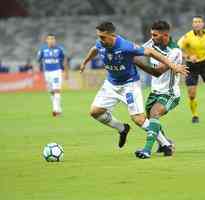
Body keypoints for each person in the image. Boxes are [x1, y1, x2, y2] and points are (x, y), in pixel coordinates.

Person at [79, 21, 188, 153]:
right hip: (111, 84)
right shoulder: (101, 43)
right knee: (95, 112)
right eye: (98, 36)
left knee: (141, 119)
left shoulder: (125, 46)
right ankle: (122, 128)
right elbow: (95, 49)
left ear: (111, 35)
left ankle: (165, 145)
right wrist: (85, 62)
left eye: (102, 37)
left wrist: (173, 65)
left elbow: (152, 57)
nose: (99, 40)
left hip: (130, 85)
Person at [133, 20, 183, 158]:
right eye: (152, 34)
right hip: (154, 92)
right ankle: (166, 145)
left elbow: (157, 72)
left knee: (155, 114)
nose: (152, 37)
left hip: (170, 92)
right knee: (149, 121)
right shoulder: (151, 43)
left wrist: (136, 61)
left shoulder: (174, 51)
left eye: (155, 35)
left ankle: (146, 150)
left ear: (165, 35)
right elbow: (136, 52)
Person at [37, 34, 69, 117]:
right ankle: (58, 108)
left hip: (57, 72)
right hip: (47, 73)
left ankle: (55, 110)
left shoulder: (60, 49)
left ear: (55, 40)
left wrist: (66, 72)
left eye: (53, 39)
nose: (51, 40)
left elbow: (65, 60)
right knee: (51, 92)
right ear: (46, 40)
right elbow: (38, 60)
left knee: (56, 90)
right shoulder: (43, 49)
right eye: (49, 39)